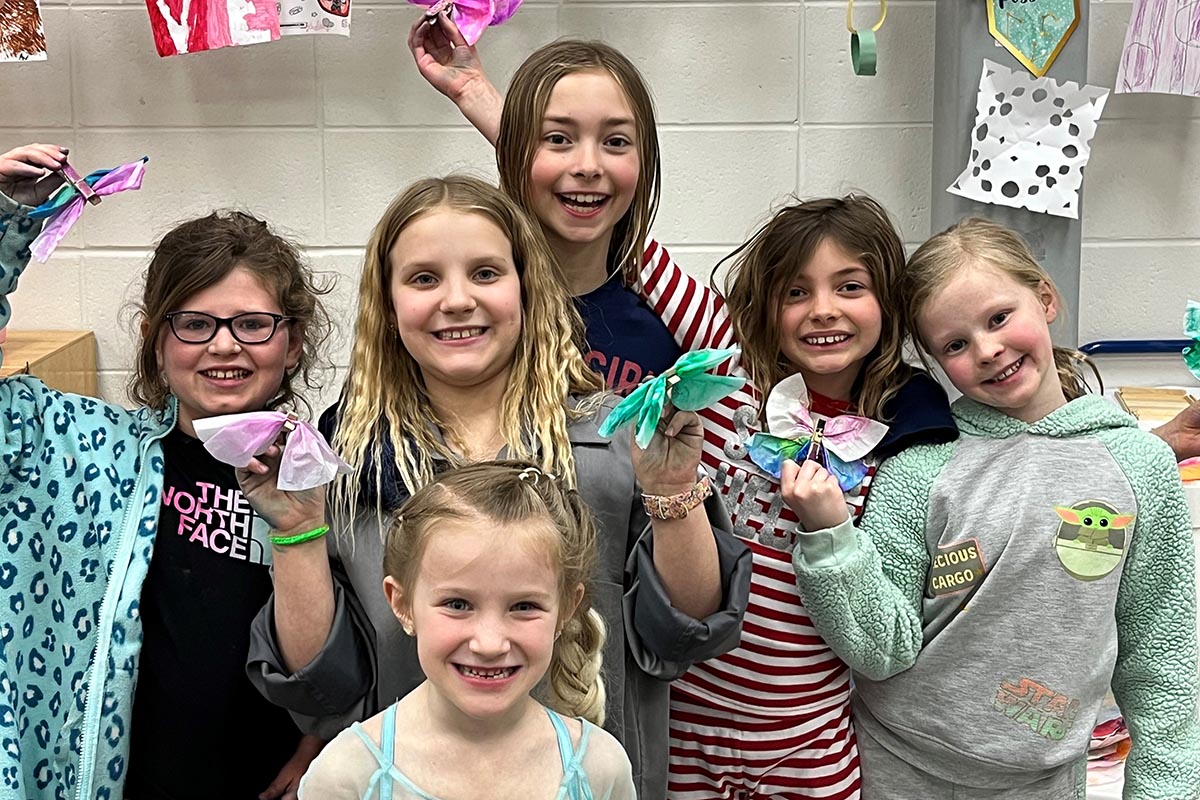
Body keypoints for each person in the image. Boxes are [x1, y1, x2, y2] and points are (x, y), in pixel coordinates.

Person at [244, 175, 751, 800]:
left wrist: (672, 491)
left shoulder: (618, 439)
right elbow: (322, 687)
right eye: (424, 278)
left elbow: (689, 630)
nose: (457, 300)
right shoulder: (342, 463)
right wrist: (296, 532)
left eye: (485, 273)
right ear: (388, 302)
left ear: (527, 287)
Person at [791, 217, 1200, 799]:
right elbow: (881, 649)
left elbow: (1161, 658)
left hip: (1042, 779)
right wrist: (830, 538)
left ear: (1046, 297)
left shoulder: (1140, 468)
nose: (987, 350)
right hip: (896, 767)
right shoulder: (920, 467)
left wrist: (1166, 789)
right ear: (935, 360)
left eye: (999, 318)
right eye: (955, 345)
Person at [0, 143, 328, 800]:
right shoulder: (79, 450)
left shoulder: (322, 475)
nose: (225, 344)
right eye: (195, 324)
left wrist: (329, 734)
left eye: (253, 324)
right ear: (156, 338)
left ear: (292, 343)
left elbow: (349, 657)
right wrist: (4, 222)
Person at [639, 196, 957, 799]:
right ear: (767, 306)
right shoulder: (727, 374)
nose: (823, 310)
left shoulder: (908, 445)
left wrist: (830, 526)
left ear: (889, 302)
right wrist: (488, 107)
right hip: (681, 719)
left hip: (806, 739)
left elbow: (885, 631)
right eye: (796, 292)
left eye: (850, 286)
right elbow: (632, 248)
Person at [296, 461, 636, 799]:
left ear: (566, 609)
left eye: (524, 607)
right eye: (457, 604)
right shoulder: (347, 776)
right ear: (401, 604)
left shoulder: (600, 769)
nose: (489, 644)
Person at [410, 23, 679, 393]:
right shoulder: (465, 318)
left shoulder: (669, 334)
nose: (588, 165)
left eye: (616, 141)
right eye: (557, 138)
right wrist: (475, 94)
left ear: (644, 162)